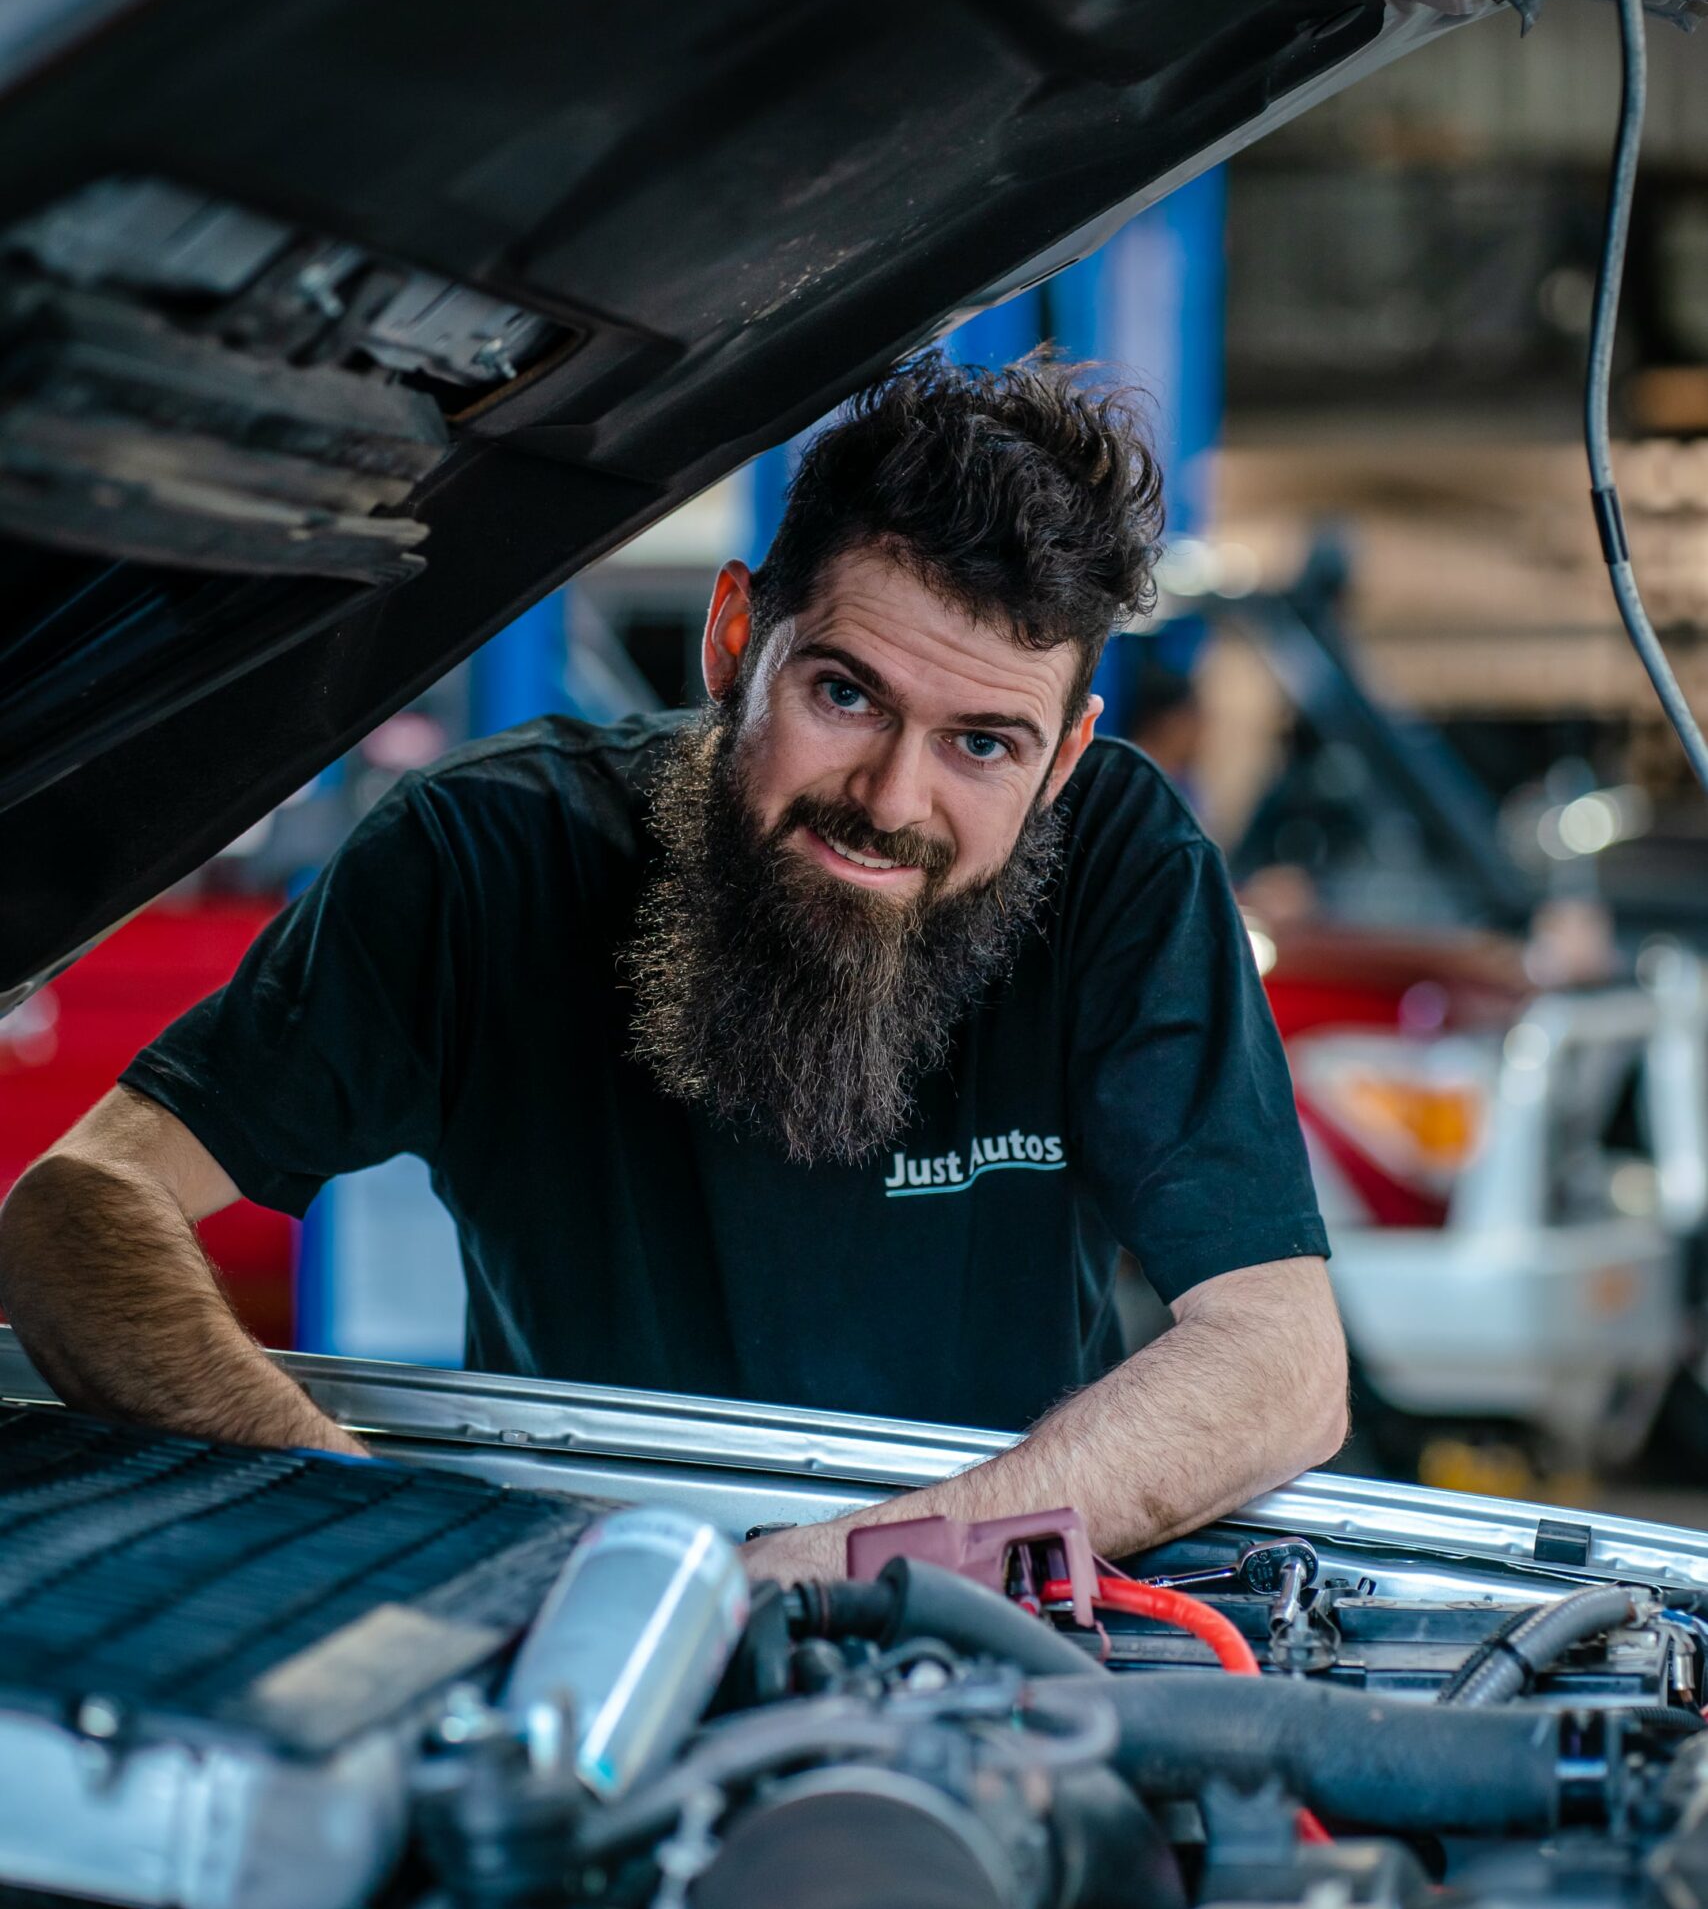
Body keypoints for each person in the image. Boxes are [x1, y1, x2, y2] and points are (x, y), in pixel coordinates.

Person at [0, 358, 1345, 1583]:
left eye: (983, 746)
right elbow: (78, 1208)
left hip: (973, 1634)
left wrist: (814, 1579)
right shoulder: (486, 862)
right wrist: (372, 1526)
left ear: (1063, 759)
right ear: (732, 641)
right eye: (845, 695)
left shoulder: (1115, 859)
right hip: (561, 1624)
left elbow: (1281, 1365)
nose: (891, 798)